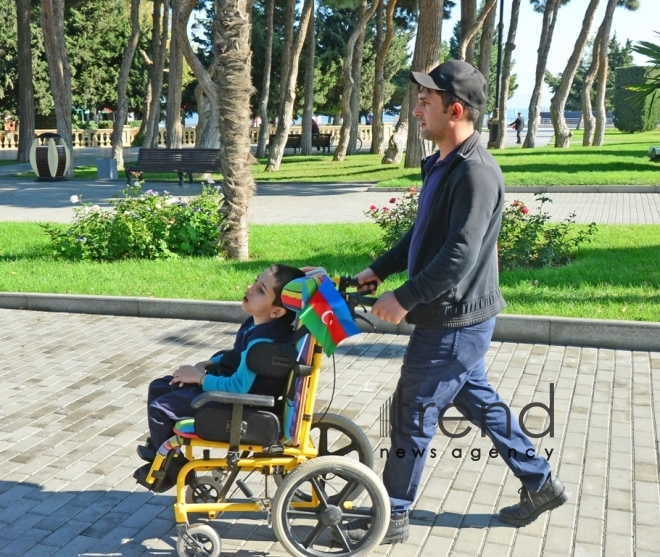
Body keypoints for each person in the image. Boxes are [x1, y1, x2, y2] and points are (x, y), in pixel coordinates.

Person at [341, 61, 568, 544]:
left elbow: (459, 255)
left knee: (411, 413)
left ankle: (393, 514)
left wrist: (403, 297)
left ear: (456, 109)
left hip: (453, 322)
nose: (417, 108)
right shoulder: (445, 164)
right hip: (456, 319)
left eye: (427, 102)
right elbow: (423, 235)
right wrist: (380, 269)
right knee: (479, 402)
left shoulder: (476, 174)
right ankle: (541, 484)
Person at [133, 264, 305, 491]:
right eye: (255, 280)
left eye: (261, 289)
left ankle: (170, 465)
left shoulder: (264, 346)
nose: (250, 287)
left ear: (276, 311)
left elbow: (238, 387)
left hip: (238, 406)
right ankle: (161, 449)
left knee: (160, 408)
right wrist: (211, 363)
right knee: (159, 386)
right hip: (227, 391)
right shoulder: (257, 326)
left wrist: (199, 379)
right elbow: (236, 357)